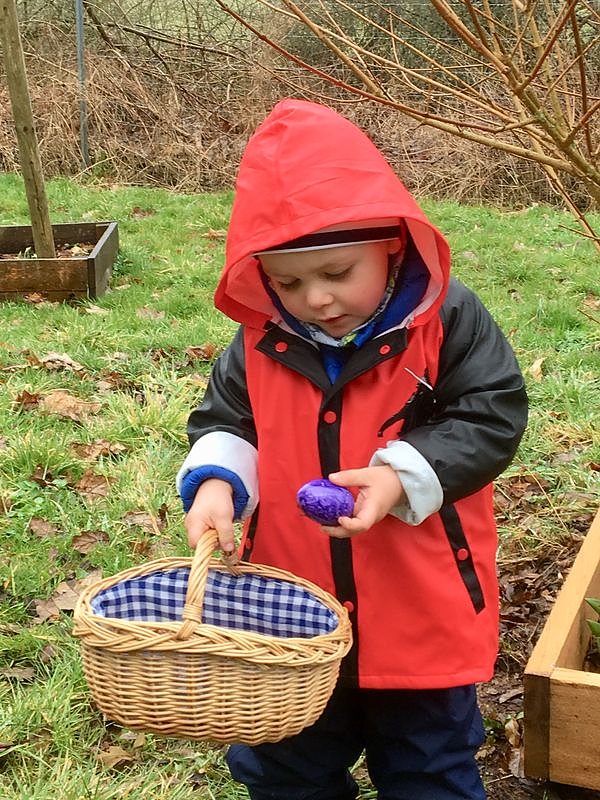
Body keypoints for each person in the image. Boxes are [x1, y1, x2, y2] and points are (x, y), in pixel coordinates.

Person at [176, 98, 528, 800]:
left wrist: (402, 477)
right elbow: (228, 420)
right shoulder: (260, 340)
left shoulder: (447, 319)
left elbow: (492, 413)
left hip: (420, 598)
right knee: (286, 765)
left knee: (429, 767)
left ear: (391, 244)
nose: (316, 299)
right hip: (295, 611)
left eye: (338, 273)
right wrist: (217, 482)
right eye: (288, 282)